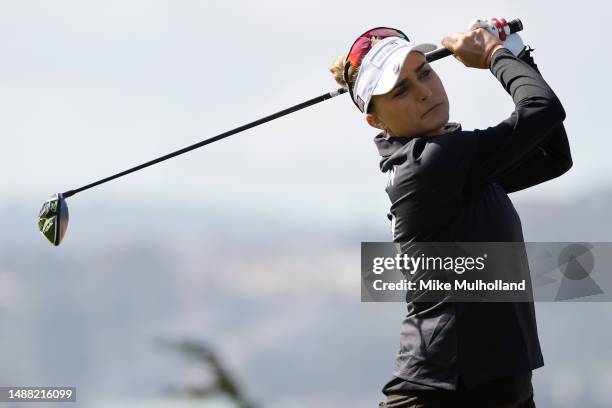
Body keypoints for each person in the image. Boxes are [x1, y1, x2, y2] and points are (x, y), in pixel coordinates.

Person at [329, 20, 572, 408]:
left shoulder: (452, 162)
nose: (424, 92)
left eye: (425, 72)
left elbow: (553, 156)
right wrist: (495, 54)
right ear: (375, 120)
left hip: (496, 389)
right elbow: (541, 109)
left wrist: (518, 51)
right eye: (401, 89)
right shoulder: (432, 164)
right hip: (447, 393)